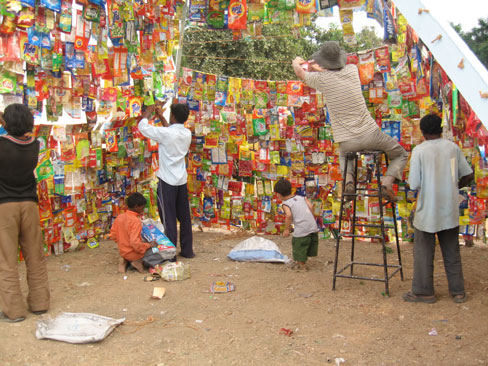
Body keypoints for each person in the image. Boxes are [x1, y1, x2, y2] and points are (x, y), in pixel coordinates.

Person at [292, 41, 408, 202]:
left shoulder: (321, 80)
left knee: (345, 156)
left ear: (323, 62)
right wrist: (318, 68)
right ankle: (387, 182)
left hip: (347, 141)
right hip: (371, 135)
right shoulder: (352, 71)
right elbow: (332, 73)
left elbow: (300, 72)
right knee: (400, 154)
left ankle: (348, 182)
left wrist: (297, 62)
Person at [403, 114, 473, 304]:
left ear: (423, 132)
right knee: (452, 252)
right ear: (440, 129)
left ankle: (424, 292)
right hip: (449, 208)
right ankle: (458, 291)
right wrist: (454, 186)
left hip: (427, 210)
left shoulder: (419, 151)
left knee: (424, 253)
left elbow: (414, 183)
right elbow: (468, 175)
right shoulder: (452, 148)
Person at [0, 103, 49, 323]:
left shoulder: (2, 145)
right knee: (34, 256)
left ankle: (14, 310)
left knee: (7, 260)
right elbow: (17, 136)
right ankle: (40, 303)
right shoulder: (34, 145)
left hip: (5, 206)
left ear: (7, 124)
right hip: (29, 204)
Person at [138, 103, 195, 259]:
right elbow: (170, 131)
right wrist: (162, 116)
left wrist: (147, 113)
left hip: (167, 182)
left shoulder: (167, 134)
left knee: (168, 219)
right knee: (184, 218)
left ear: (173, 116)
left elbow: (143, 128)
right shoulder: (186, 134)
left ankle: (170, 254)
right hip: (181, 181)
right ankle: (187, 250)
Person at [274, 178, 319, 270]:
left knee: (298, 245)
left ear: (278, 194)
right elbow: (311, 206)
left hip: (302, 229)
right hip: (313, 226)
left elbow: (289, 215)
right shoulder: (301, 198)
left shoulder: (286, 203)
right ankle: (303, 259)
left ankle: (302, 264)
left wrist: (287, 229)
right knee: (308, 241)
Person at [110, 192, 158, 273]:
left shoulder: (120, 217)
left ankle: (124, 260)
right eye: (142, 208)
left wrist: (123, 242)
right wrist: (149, 245)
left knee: (140, 245)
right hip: (134, 253)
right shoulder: (135, 221)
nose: (142, 210)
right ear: (136, 207)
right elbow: (135, 243)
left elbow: (113, 235)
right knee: (158, 252)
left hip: (123, 251)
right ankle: (137, 261)